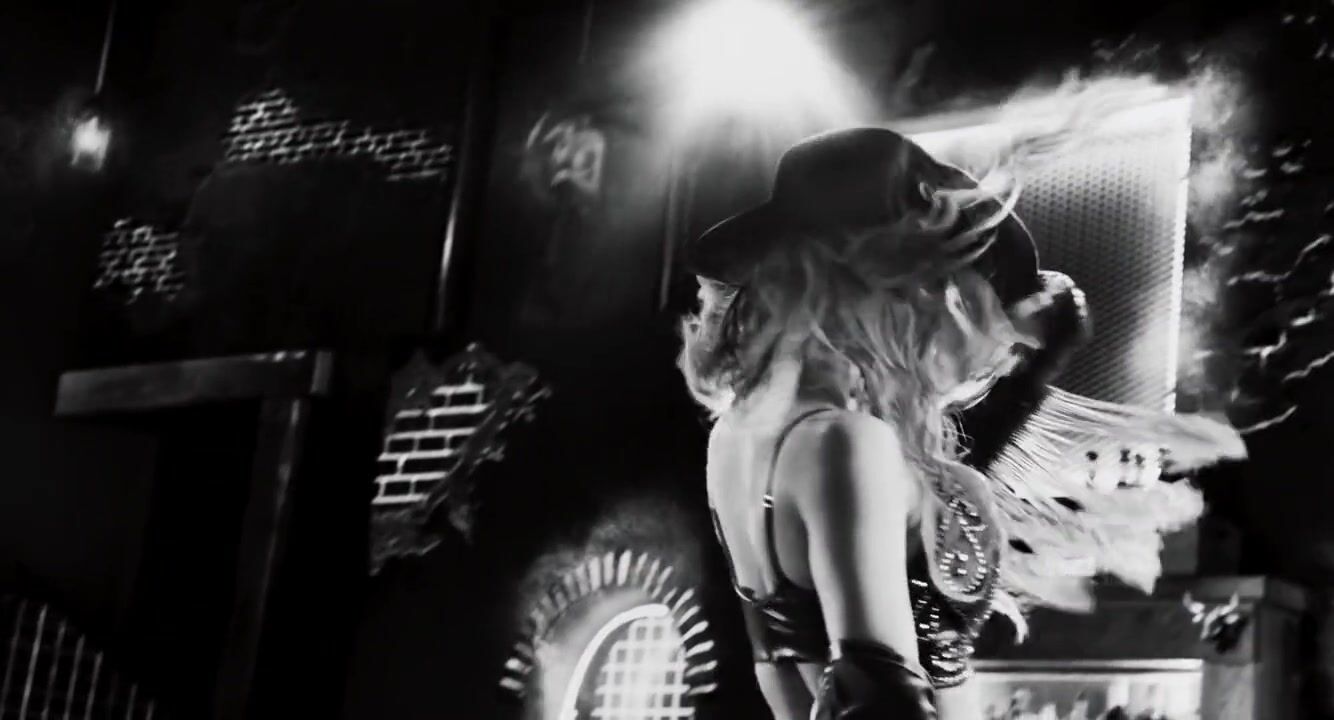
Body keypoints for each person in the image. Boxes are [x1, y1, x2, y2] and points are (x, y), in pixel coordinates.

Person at [677, 127, 1245, 719]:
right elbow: (877, 703)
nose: (964, 315)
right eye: (949, 284)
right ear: (891, 284)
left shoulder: (738, 437)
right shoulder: (845, 442)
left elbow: (789, 663)